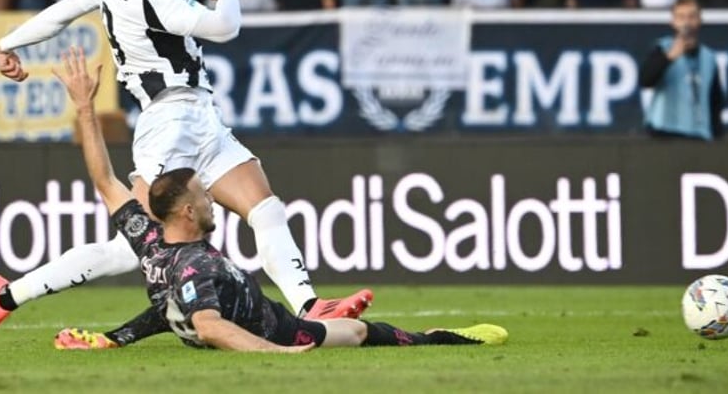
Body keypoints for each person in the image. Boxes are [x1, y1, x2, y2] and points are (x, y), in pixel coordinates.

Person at [0, 0, 372, 347]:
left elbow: (60, 14)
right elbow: (226, 26)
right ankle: (5, 297)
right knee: (128, 247)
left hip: (201, 116)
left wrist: (8, 43)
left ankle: (309, 307)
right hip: (169, 122)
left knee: (265, 208)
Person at [48, 46, 508, 351]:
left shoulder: (149, 239)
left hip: (216, 310)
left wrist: (85, 108)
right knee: (361, 332)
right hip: (276, 326)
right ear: (187, 211)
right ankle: (446, 340)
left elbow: (105, 179)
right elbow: (209, 327)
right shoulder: (197, 266)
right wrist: (280, 351)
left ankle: (115, 338)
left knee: (176, 304)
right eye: (204, 195)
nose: (213, 197)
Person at [639, 0, 723, 141]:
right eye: (681, 17)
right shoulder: (662, 48)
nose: (686, 22)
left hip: (698, 134)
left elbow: (715, 100)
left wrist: (716, 134)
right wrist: (668, 58)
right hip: (664, 132)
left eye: (692, 17)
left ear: (699, 20)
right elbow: (646, 80)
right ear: (673, 22)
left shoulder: (708, 57)